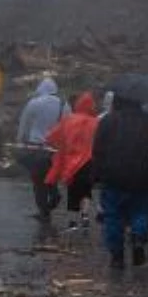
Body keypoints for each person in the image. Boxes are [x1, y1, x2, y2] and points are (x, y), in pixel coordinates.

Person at [92, 93, 148, 268]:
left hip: (114, 176)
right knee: (140, 211)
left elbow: (97, 150)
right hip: (143, 177)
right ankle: (138, 238)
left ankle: (117, 255)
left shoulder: (108, 121)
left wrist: (98, 174)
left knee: (113, 215)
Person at [16, 78, 70, 219]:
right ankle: (53, 196)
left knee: (38, 181)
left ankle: (43, 210)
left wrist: (20, 140)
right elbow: (68, 127)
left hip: (36, 148)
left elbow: (25, 124)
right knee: (51, 177)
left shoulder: (34, 103)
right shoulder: (64, 105)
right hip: (55, 150)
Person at [44, 91, 100, 229]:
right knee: (86, 189)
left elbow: (52, 136)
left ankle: (73, 220)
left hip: (72, 161)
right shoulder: (96, 122)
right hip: (90, 160)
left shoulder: (69, 119)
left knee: (73, 190)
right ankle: (85, 214)